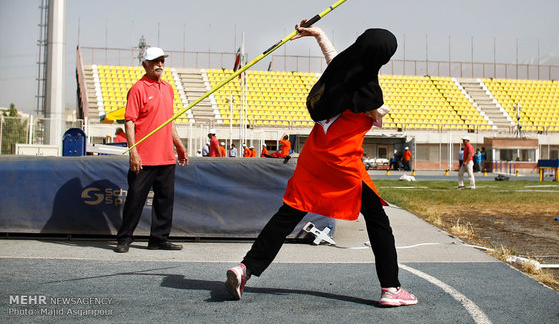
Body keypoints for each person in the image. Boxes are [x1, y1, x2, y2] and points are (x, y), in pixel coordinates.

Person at [225, 22, 418, 307]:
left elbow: (335, 60)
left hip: (315, 158)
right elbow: (377, 112)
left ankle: (245, 269)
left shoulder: (338, 73)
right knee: (378, 222)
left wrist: (319, 35)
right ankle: (391, 287)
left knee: (288, 214)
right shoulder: (370, 94)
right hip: (344, 163)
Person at [115, 46, 188, 253]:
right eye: (156, 61)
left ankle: (159, 238)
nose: (160, 64)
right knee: (135, 200)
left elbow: (170, 122)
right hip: (144, 158)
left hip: (166, 157)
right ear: (145, 64)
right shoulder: (137, 88)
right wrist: (133, 152)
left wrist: (179, 145)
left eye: (162, 61)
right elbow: (129, 123)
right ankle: (124, 238)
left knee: (165, 201)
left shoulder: (168, 88)